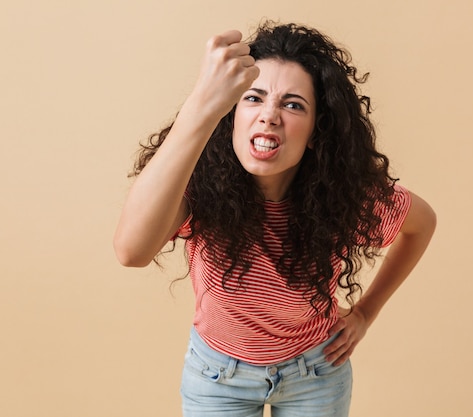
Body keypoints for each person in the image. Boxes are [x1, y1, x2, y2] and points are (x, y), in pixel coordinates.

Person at [114, 21, 436, 417]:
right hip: (218, 379)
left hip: (316, 375)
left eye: (293, 104)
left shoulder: (345, 195)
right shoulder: (198, 184)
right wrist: (201, 104)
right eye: (253, 98)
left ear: (317, 132)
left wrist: (366, 313)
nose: (269, 115)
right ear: (229, 114)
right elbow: (131, 251)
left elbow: (421, 224)